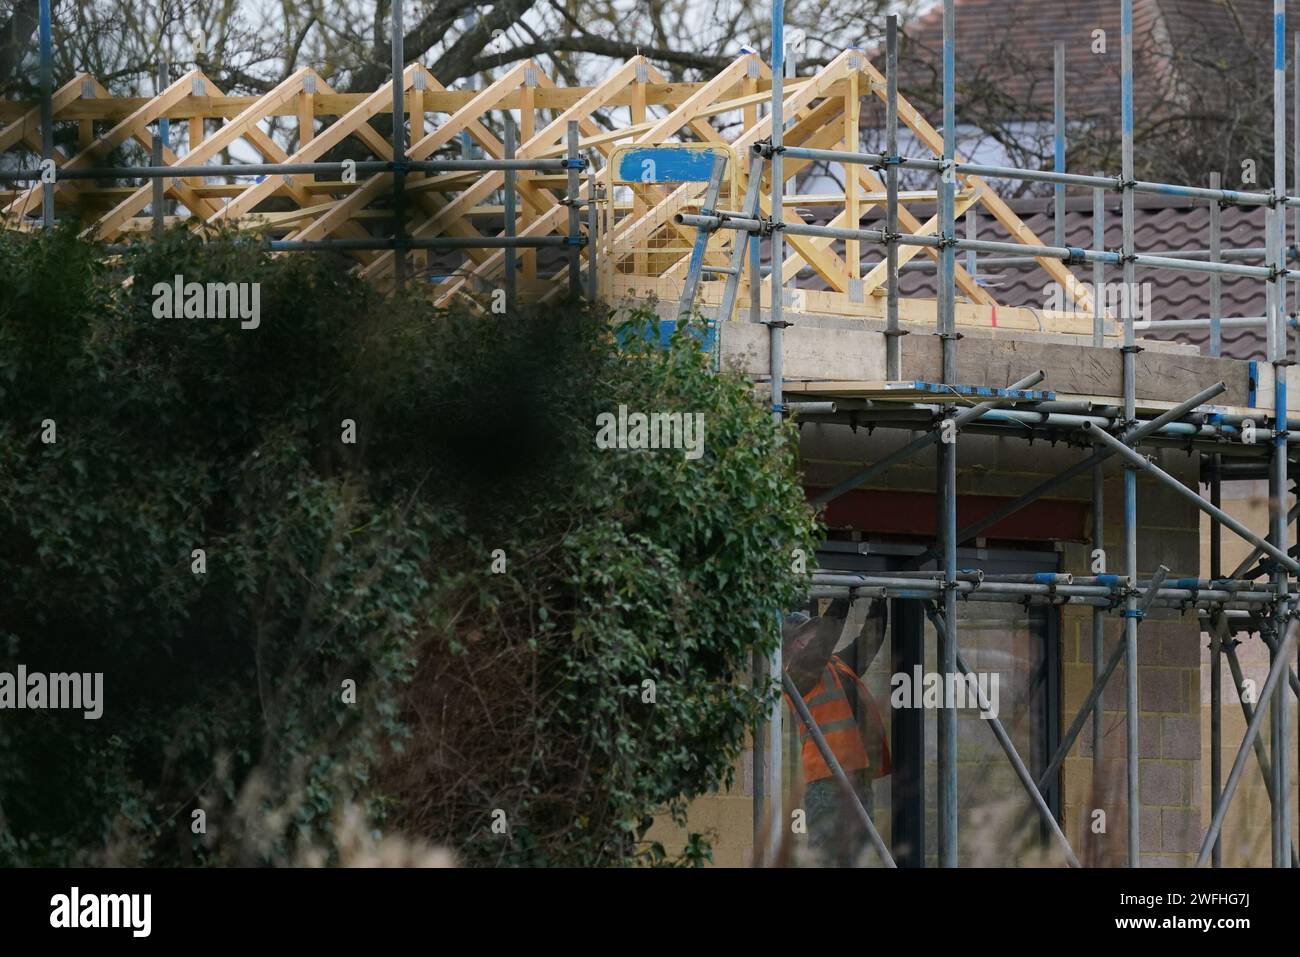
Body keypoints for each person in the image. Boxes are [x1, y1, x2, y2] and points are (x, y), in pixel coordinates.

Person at [782, 597, 891, 865]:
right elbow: (825, 637)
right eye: (802, 636)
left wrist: (879, 600)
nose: (808, 639)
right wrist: (844, 597)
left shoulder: (835, 665)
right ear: (790, 646)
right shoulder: (795, 673)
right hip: (826, 781)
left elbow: (868, 643)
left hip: (856, 776)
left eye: (809, 634)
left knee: (859, 855)